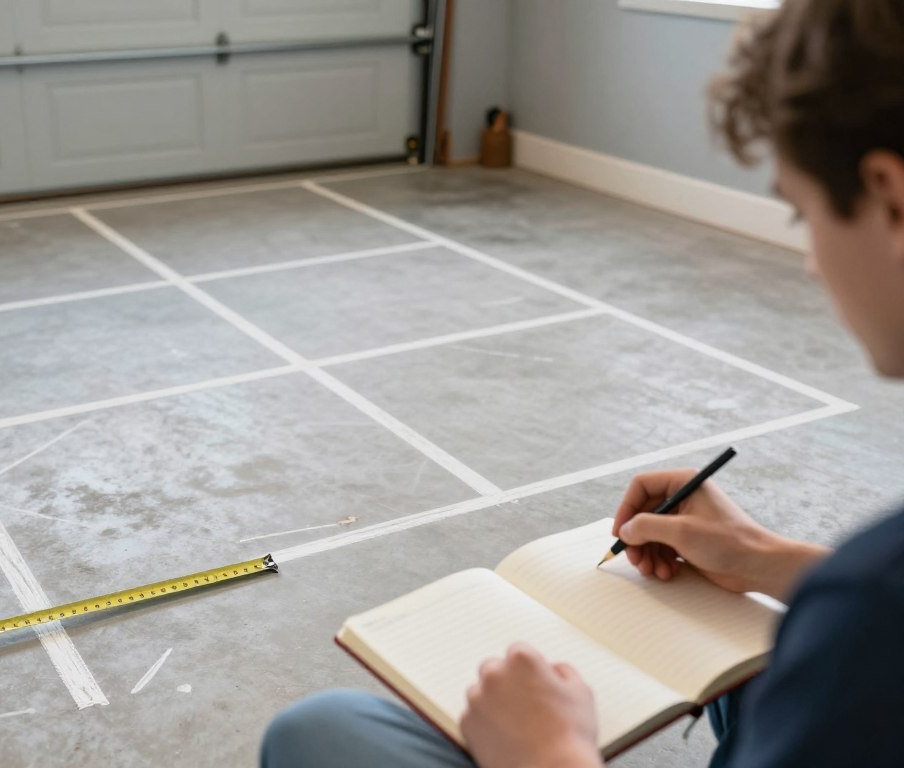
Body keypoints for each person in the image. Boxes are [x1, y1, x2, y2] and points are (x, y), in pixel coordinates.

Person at [259, 1, 904, 765]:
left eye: (802, 217)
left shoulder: (867, 609)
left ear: (890, 197)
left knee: (319, 733)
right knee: (749, 666)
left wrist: (551, 751)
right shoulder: (865, 602)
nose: (808, 262)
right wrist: (764, 556)